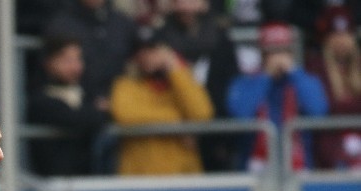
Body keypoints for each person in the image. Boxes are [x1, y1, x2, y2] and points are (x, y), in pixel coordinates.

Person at [109, 26, 214, 175]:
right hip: (140, 177)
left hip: (183, 177)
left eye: (153, 49)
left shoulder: (183, 79)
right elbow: (125, 115)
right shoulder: (126, 84)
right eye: (141, 51)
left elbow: (202, 113)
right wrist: (180, 124)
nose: (146, 56)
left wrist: (174, 69)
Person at [227, 21, 329, 171]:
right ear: (262, 54)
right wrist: (266, 77)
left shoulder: (304, 80)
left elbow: (318, 112)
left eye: (283, 51)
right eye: (272, 52)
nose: (278, 58)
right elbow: (241, 115)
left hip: (299, 166)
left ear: (292, 53)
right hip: (255, 168)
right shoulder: (245, 82)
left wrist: (294, 73)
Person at [156, 0, 241, 170]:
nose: (187, 7)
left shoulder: (221, 39)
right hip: (175, 138)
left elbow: (229, 89)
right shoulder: (160, 40)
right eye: (180, 2)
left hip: (217, 136)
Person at [27, 34, 112, 175]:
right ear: (49, 62)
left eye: (78, 59)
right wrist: (96, 112)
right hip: (51, 182)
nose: (75, 67)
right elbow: (75, 119)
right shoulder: (40, 98)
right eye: (67, 60)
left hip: (91, 180)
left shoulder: (87, 92)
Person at [42, 0, 139, 104]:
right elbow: (52, 71)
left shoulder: (122, 22)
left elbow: (140, 59)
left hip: (119, 103)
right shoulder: (61, 24)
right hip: (76, 103)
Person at [305, 5, 361, 170]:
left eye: (346, 34)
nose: (342, 40)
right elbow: (323, 109)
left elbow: (336, 107)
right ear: (326, 39)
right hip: (331, 149)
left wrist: (341, 106)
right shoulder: (315, 68)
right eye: (335, 34)